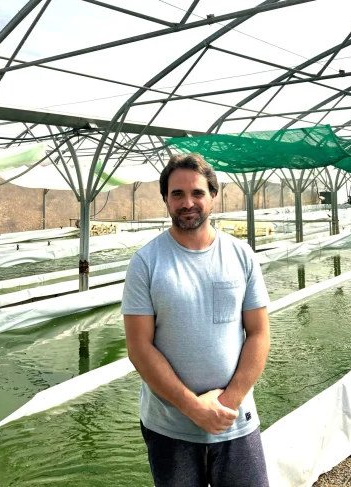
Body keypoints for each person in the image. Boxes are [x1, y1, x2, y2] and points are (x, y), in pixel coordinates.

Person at [122, 153, 271, 487]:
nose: (187, 202)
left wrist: (224, 404)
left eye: (197, 193)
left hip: (235, 420)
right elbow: (139, 347)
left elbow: (259, 334)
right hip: (170, 427)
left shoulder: (241, 255)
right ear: (165, 199)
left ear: (213, 197)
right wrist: (193, 408)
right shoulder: (146, 263)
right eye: (177, 194)